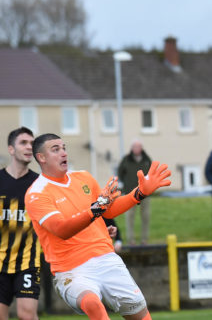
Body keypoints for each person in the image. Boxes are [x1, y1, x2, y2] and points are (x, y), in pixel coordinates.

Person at [24, 133, 171, 320]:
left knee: (142, 316)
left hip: (107, 258)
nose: (63, 153)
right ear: (41, 158)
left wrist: (139, 193)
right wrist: (96, 209)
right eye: (55, 149)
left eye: (64, 148)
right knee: (93, 303)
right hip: (72, 269)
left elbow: (107, 211)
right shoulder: (36, 193)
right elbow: (62, 229)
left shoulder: (83, 177)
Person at [0, 127, 40, 320]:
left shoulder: (40, 184)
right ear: (11, 149)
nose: (29, 147)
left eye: (32, 143)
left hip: (28, 262)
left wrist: (105, 224)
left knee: (27, 314)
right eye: (23, 143)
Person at [117, 140, 152, 245]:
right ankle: (131, 240)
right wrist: (127, 184)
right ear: (132, 148)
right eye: (135, 147)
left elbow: (151, 174)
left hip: (145, 193)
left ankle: (144, 239)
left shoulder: (147, 159)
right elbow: (120, 173)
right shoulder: (126, 160)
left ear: (141, 148)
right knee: (130, 216)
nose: (137, 149)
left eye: (139, 146)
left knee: (146, 216)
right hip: (130, 193)